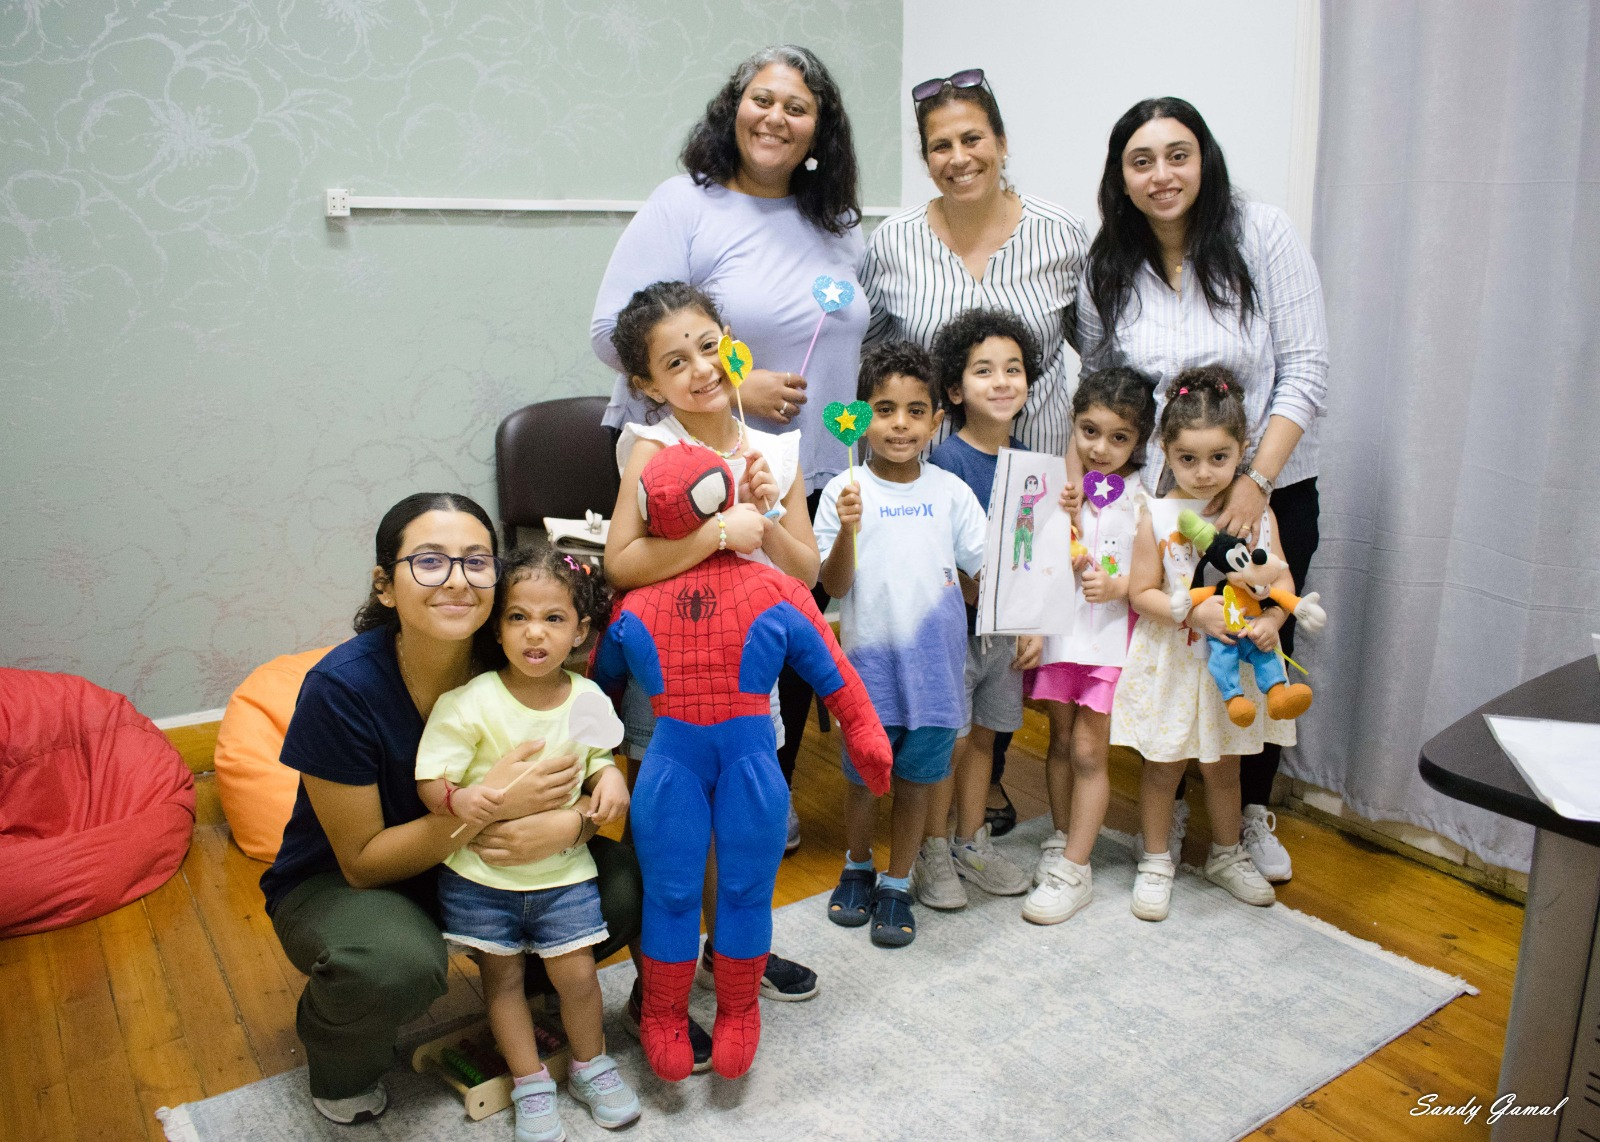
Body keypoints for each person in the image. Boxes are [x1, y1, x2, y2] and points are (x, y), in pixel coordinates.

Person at [258, 494, 642, 1126]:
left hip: (478, 866)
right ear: (385, 585)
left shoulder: (514, 654)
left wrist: (572, 822)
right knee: (395, 963)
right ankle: (340, 1061)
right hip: (350, 881)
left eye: (476, 561)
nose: (458, 580)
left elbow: (587, 754)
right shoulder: (341, 689)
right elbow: (361, 863)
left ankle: (535, 989)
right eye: (430, 561)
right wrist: (493, 810)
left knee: (624, 883)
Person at [591, 44, 867, 826]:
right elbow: (614, 332)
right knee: (696, 641)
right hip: (691, 465)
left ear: (820, 130)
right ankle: (674, 804)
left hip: (799, 463)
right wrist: (737, 384)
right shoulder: (686, 203)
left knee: (782, 639)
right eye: (762, 99)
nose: (776, 118)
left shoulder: (840, 226)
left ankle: (763, 801)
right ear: (733, 108)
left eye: (798, 107)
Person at [1076, 96, 1328, 881]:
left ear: (1205, 160)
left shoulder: (1263, 234)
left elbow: (1306, 368)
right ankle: (1173, 802)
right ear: (1121, 178)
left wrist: (1255, 482)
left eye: (1177, 154)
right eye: (1141, 161)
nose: (1162, 174)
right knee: (1175, 654)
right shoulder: (1110, 265)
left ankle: (1247, 815)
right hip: (1166, 502)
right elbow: (1104, 383)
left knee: (1257, 649)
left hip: (1267, 490)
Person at [861, 69, 1088, 833]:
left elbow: (1099, 355)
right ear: (925, 158)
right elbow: (870, 362)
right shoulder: (893, 243)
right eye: (940, 146)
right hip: (932, 481)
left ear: (1001, 143)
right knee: (943, 644)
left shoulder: (1060, 235)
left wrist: (1089, 474)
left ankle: (985, 795)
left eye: (972, 139)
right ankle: (923, 796)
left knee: (1013, 654)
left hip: (1033, 485)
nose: (958, 158)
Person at [602, 281, 822, 1008]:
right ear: (647, 385)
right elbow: (622, 564)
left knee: (742, 827)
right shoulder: (654, 448)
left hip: (748, 679)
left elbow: (805, 573)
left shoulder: (775, 449)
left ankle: (732, 950)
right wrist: (716, 533)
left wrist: (766, 511)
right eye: (675, 362)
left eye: (708, 346)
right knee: (673, 838)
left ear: (731, 344)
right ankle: (662, 974)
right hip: (670, 683)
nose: (701, 369)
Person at [415, 543, 639, 1139]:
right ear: (498, 628)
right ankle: (530, 1084)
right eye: (518, 617)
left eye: (553, 618)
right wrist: (458, 800)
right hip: (481, 879)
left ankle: (591, 1066)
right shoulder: (469, 702)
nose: (534, 632)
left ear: (580, 632)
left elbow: (598, 759)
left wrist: (610, 778)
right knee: (503, 983)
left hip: (563, 875)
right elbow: (432, 779)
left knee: (579, 978)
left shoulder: (588, 698)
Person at [817, 342, 989, 948]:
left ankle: (897, 880)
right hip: (867, 673)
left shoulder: (951, 492)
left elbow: (984, 571)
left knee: (919, 780)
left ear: (936, 420)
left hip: (937, 673)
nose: (900, 424)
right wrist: (848, 530)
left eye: (916, 411)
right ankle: (858, 865)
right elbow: (834, 586)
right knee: (864, 778)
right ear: (860, 417)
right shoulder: (844, 489)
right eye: (885, 410)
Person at [1114, 368, 1287, 922]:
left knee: (1225, 765)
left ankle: (1226, 853)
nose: (1204, 472)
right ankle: (1155, 858)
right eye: (1188, 459)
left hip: (1231, 668)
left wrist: (1274, 619)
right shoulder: (1157, 515)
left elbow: (1281, 583)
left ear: (1243, 451)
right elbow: (1140, 593)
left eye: (1219, 458)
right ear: (1166, 451)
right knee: (1164, 764)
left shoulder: (1258, 516)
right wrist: (1191, 609)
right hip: (1175, 659)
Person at [914, 308, 1041, 913]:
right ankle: (932, 849)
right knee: (953, 744)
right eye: (984, 370)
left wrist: (1031, 621)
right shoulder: (946, 464)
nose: (1002, 381)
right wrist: (982, 596)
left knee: (987, 740)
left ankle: (970, 841)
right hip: (955, 635)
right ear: (956, 389)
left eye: (1013, 369)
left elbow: (1033, 554)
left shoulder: (1031, 462)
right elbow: (940, 559)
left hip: (1005, 635)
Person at [1019, 367, 1156, 925]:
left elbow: (1156, 576)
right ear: (1073, 425)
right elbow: (1035, 559)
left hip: (1110, 644)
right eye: (1089, 431)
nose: (1101, 448)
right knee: (1057, 740)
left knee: (1087, 750)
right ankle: (1061, 838)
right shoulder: (1059, 491)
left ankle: (1076, 869)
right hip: (1061, 635)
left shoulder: (1145, 502)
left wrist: (1119, 587)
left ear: (1140, 441)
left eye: (1119, 437)